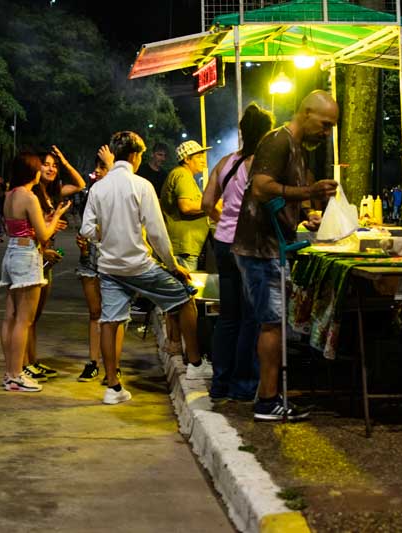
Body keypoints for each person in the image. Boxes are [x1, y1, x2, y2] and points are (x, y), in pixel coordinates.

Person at [81, 131, 213, 405]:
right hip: (140, 265)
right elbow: (156, 232)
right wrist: (173, 264)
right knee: (185, 298)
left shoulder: (99, 187)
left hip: (110, 267)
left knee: (110, 321)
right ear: (135, 155)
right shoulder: (141, 185)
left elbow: (86, 230)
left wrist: (106, 235)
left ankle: (113, 388)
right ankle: (195, 363)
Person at [232, 90, 339, 421]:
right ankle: (267, 401)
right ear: (306, 113)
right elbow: (262, 187)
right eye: (324, 125)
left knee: (273, 323)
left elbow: (282, 195)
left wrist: (304, 212)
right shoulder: (278, 141)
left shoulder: (297, 148)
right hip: (260, 248)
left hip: (271, 247)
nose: (326, 133)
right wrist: (309, 192)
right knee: (272, 324)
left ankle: (269, 394)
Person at [202, 102, 274, 402]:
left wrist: (225, 222)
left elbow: (207, 204)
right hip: (251, 247)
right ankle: (243, 385)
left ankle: (220, 383)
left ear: (243, 132)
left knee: (228, 316)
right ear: (268, 133)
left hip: (223, 244)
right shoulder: (266, 167)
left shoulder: (225, 163)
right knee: (251, 318)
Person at [0, 152, 71, 392]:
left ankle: (9, 373)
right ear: (32, 171)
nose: (43, 169)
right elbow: (44, 235)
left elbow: (21, 227)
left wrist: (45, 219)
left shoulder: (10, 195)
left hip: (11, 252)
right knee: (24, 319)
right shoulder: (29, 197)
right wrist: (56, 217)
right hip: (26, 255)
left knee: (9, 316)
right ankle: (17, 375)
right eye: (40, 167)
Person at [22, 145, 86, 382]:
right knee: (26, 317)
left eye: (54, 165)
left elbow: (80, 184)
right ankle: (24, 364)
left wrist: (65, 161)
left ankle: (33, 361)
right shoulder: (31, 193)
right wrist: (45, 244)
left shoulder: (54, 191)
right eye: (46, 163)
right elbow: (23, 229)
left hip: (46, 259)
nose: (50, 168)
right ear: (35, 167)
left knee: (35, 317)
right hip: (34, 255)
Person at [75, 146, 124, 383]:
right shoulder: (93, 193)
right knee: (95, 312)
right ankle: (93, 362)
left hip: (115, 257)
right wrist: (83, 243)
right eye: (97, 166)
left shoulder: (124, 190)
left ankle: (114, 367)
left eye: (102, 166)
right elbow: (86, 227)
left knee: (115, 315)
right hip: (91, 258)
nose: (97, 171)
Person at [160, 140, 212, 359]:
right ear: (187, 159)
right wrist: (212, 204)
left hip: (182, 245)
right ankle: (185, 351)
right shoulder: (182, 175)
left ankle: (174, 345)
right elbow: (187, 206)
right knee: (184, 299)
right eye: (198, 156)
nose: (203, 159)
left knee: (177, 298)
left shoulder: (183, 176)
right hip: (183, 246)